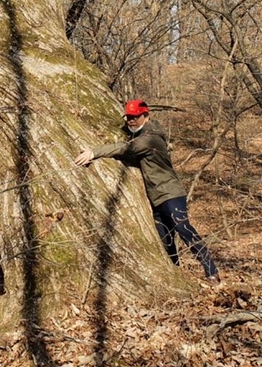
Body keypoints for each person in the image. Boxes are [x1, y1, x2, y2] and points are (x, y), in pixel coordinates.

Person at [74, 99, 220, 285]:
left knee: (184, 230)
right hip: (156, 198)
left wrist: (94, 152)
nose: (131, 121)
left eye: (135, 117)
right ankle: (176, 275)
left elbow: (126, 148)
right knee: (166, 240)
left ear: (146, 116)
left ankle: (212, 272)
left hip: (171, 194)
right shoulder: (141, 134)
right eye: (128, 117)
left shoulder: (151, 138)